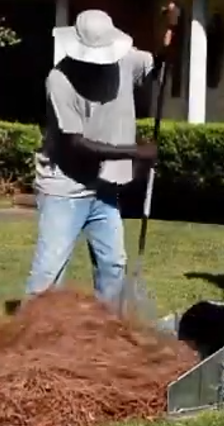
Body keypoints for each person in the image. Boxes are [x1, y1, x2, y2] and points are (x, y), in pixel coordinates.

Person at [23, 5, 181, 307]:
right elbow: (76, 145)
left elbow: (158, 66)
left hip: (103, 185)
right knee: (49, 273)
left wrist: (170, 30)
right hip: (64, 187)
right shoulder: (59, 80)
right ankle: (28, 341)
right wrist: (135, 152)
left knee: (113, 265)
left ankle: (106, 333)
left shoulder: (124, 60)